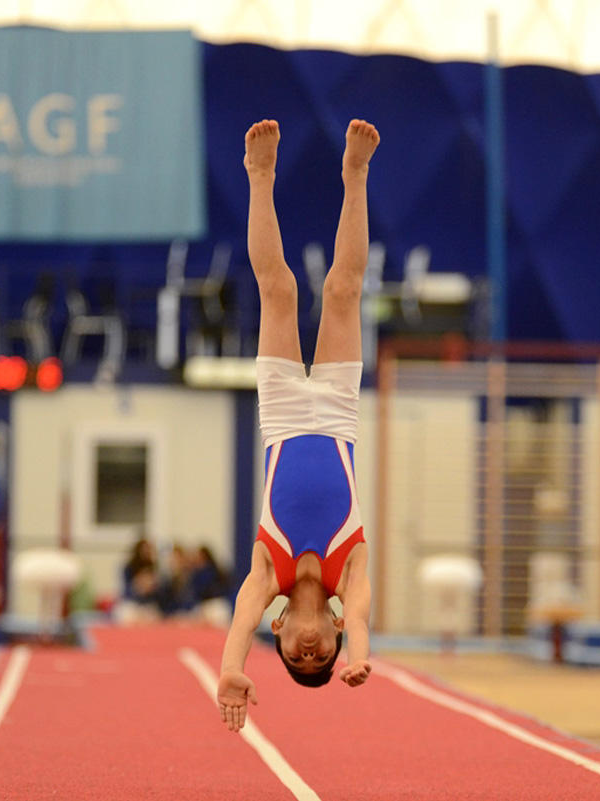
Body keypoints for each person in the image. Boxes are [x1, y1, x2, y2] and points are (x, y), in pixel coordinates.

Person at [217, 119, 379, 733]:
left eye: (295, 659)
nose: (309, 657)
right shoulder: (351, 571)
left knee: (278, 289)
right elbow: (363, 622)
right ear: (335, 633)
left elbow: (238, 622)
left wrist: (230, 670)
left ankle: (260, 176)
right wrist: (360, 660)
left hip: (282, 417)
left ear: (277, 628)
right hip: (338, 413)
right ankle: (355, 176)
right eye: (324, 659)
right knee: (343, 291)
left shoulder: (267, 571)